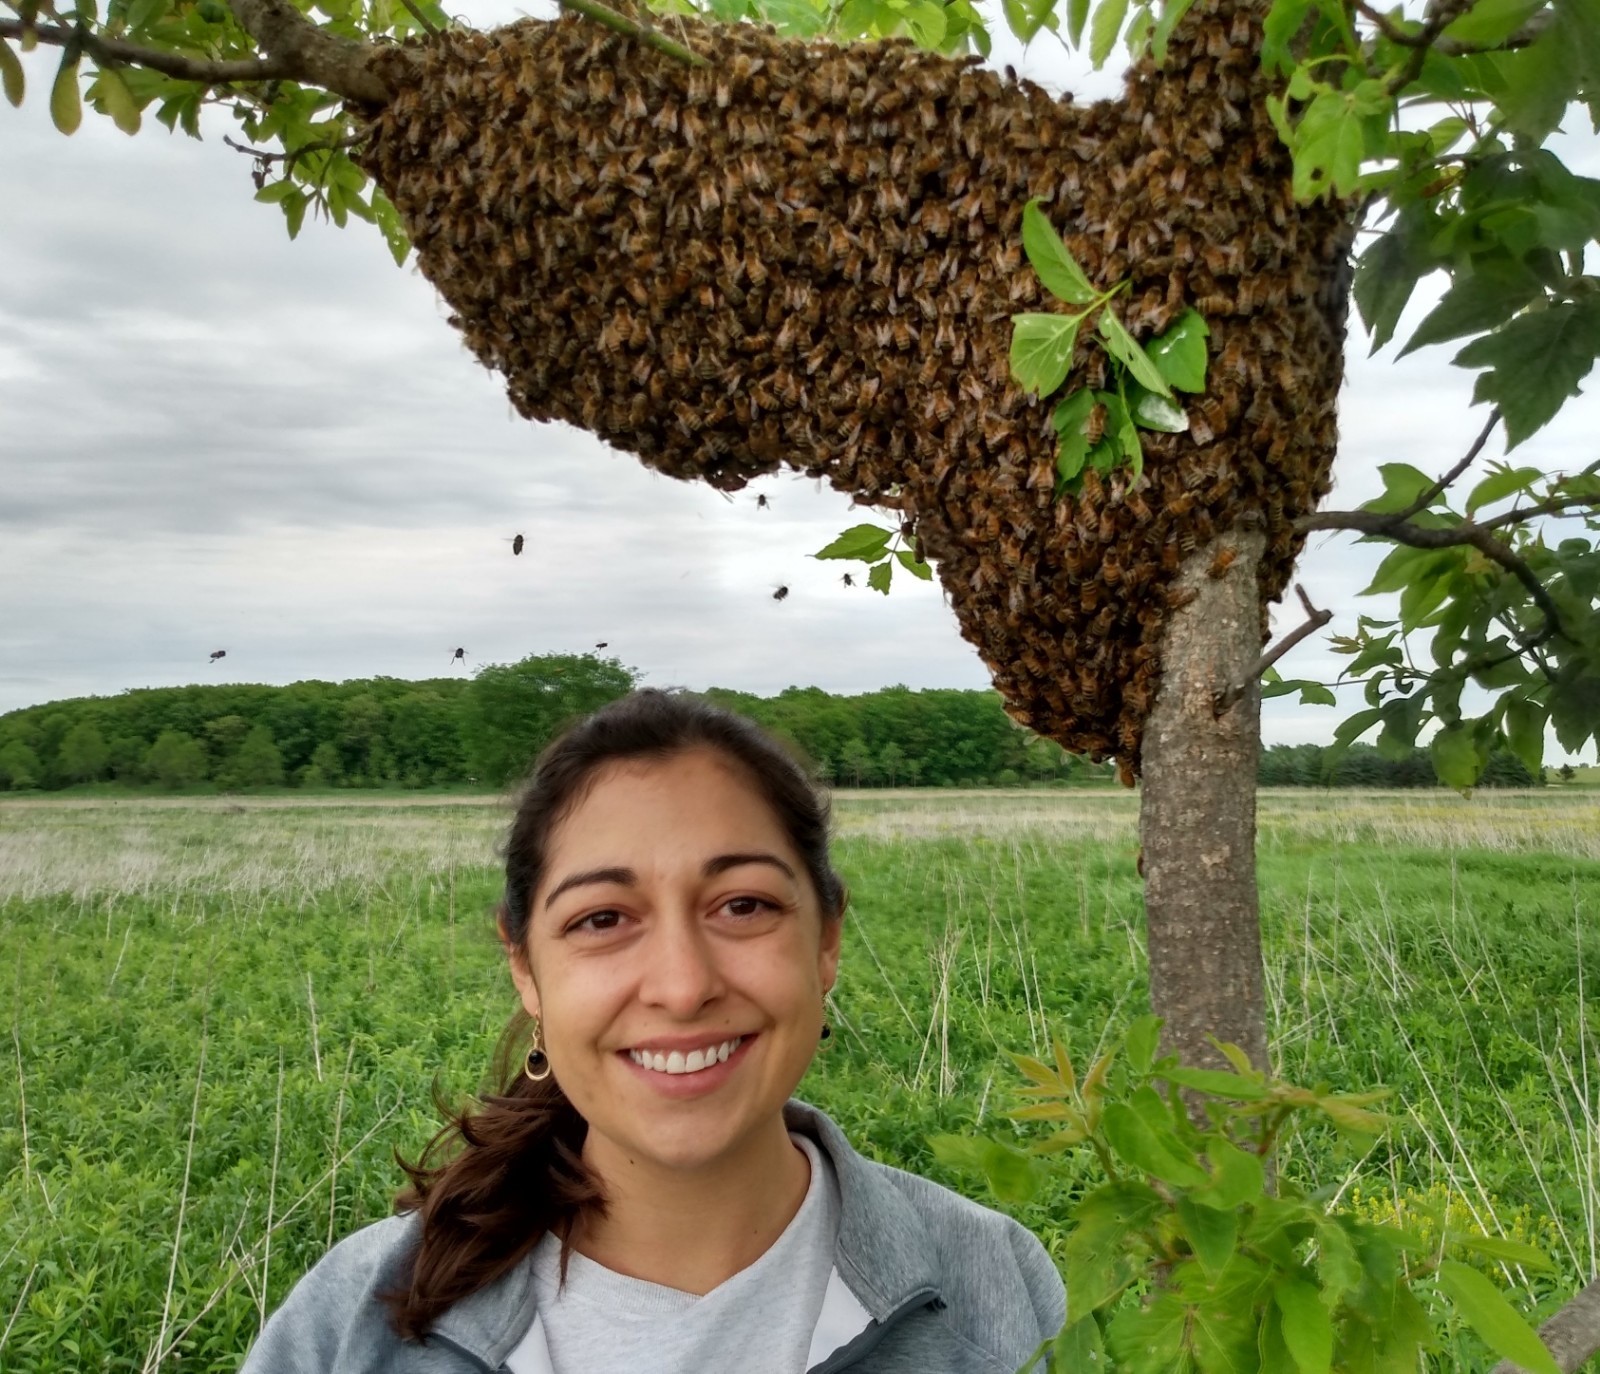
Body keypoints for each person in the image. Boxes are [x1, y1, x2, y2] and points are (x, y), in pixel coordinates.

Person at [241, 689, 1065, 1373]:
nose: (681, 987)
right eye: (603, 918)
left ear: (826, 943)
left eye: (743, 905)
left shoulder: (993, 1278)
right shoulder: (354, 1321)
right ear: (525, 969)